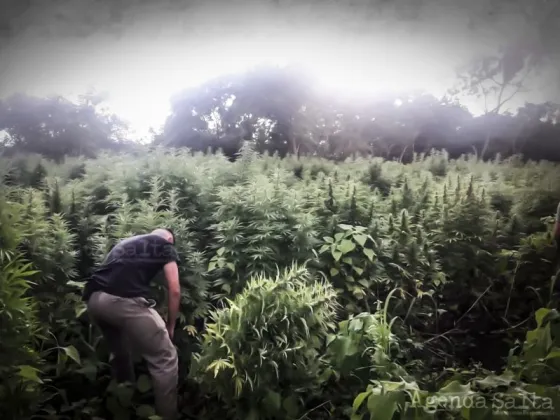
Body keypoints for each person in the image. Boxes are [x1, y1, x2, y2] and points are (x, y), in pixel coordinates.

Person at [82, 228, 181, 420]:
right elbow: (175, 289)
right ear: (168, 239)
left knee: (121, 352)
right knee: (165, 357)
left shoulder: (125, 243)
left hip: (95, 301)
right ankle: (167, 416)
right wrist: (170, 326)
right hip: (123, 302)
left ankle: (123, 404)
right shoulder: (164, 244)